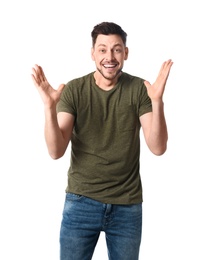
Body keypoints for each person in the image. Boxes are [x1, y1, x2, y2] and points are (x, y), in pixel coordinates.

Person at [31, 21, 173, 260]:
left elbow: (157, 147)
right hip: (80, 202)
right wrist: (48, 107)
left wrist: (157, 102)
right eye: (103, 49)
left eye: (117, 49)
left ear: (126, 53)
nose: (110, 56)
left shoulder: (140, 89)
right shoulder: (75, 89)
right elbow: (56, 150)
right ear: (93, 53)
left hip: (127, 205)